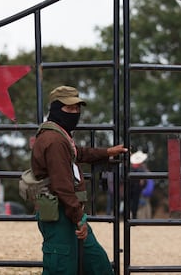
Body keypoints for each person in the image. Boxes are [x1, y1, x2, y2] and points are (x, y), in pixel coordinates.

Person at [31, 85, 127, 274]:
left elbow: (78, 153)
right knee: (62, 268)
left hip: (67, 212)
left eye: (77, 108)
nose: (75, 112)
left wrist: (106, 152)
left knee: (96, 263)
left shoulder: (60, 135)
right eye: (69, 108)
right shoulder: (54, 140)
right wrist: (79, 219)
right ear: (57, 109)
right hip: (60, 212)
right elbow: (62, 186)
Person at [129, 150, 148, 219]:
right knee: (133, 203)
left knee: (134, 203)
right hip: (133, 187)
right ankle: (133, 217)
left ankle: (133, 217)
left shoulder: (139, 167)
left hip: (135, 187)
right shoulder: (141, 167)